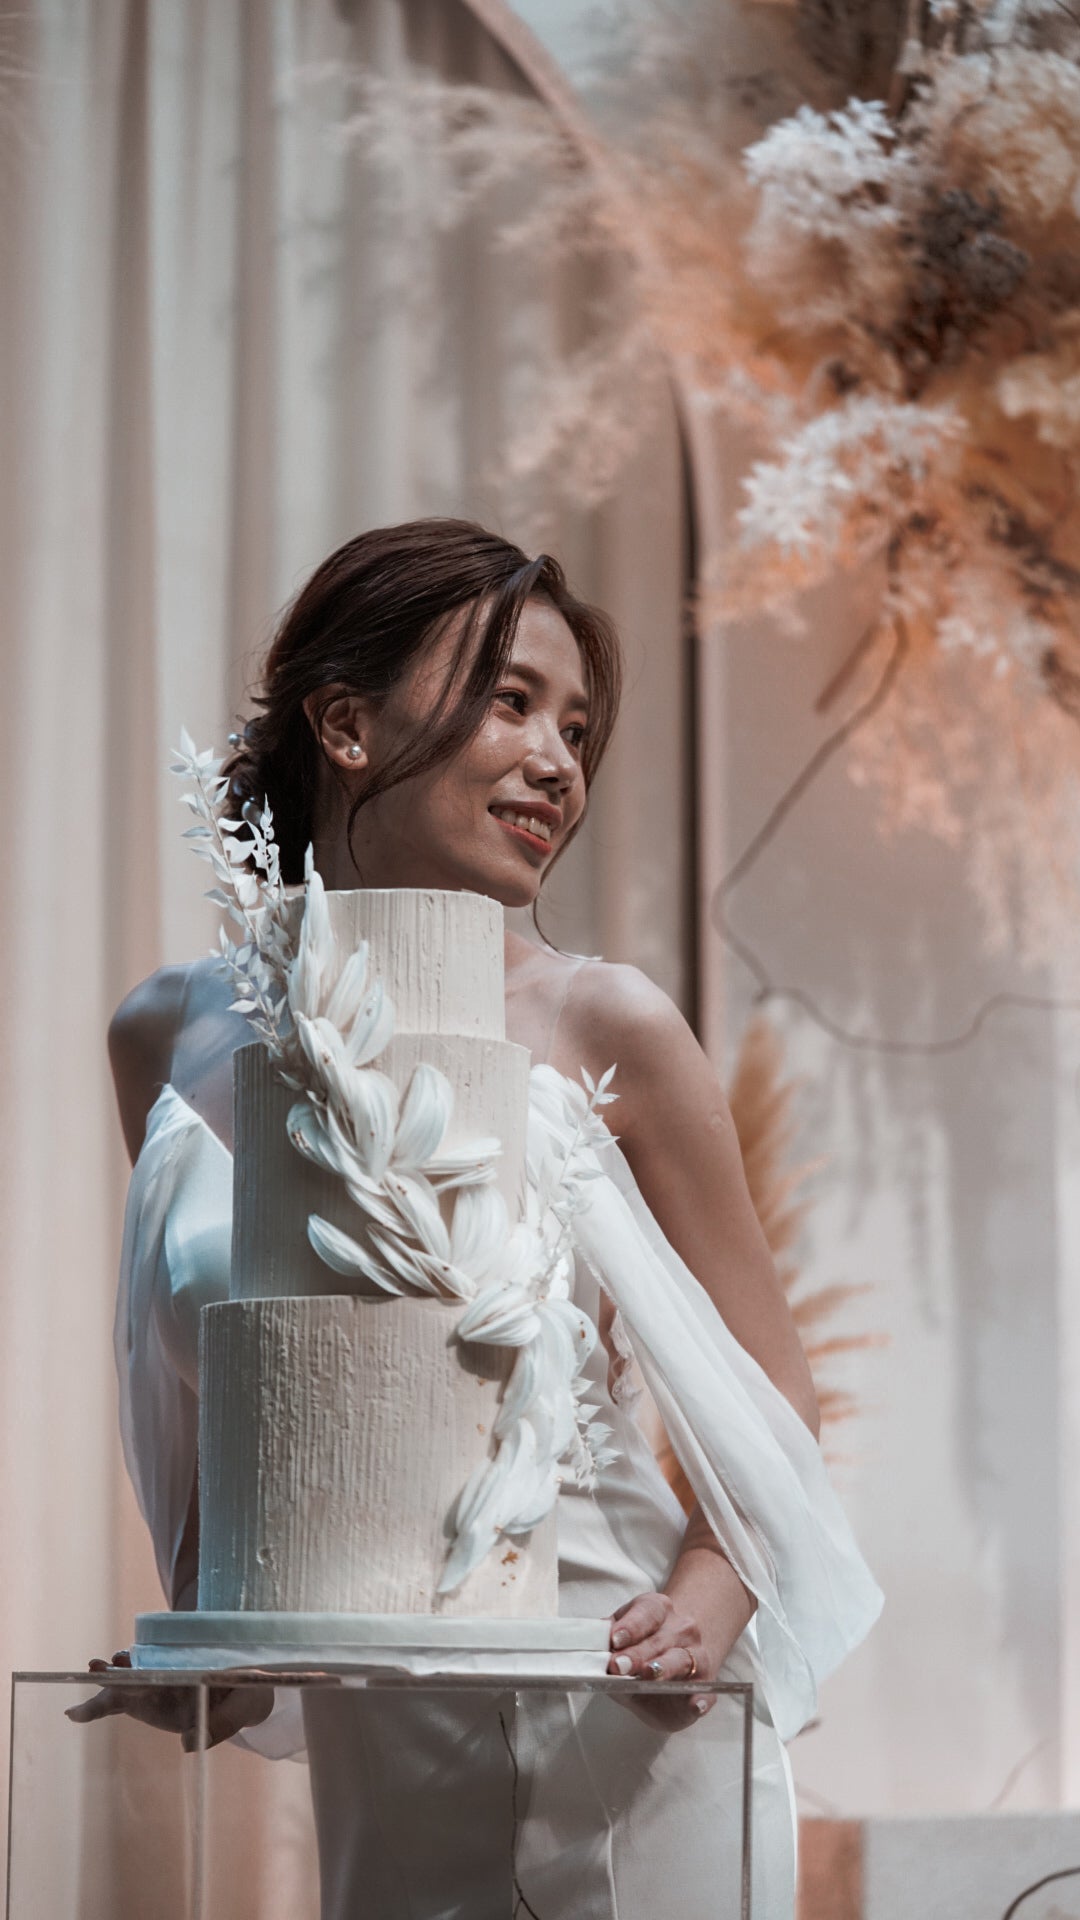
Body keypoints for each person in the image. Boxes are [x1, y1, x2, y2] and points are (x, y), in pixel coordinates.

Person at [94, 518, 881, 1917]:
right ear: (345, 724)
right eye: (511, 701)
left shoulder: (609, 1022)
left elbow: (775, 1388)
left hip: (629, 1705)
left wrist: (708, 1599)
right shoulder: (166, 1033)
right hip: (383, 1727)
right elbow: (243, 1388)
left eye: (576, 728)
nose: (559, 762)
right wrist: (218, 1638)